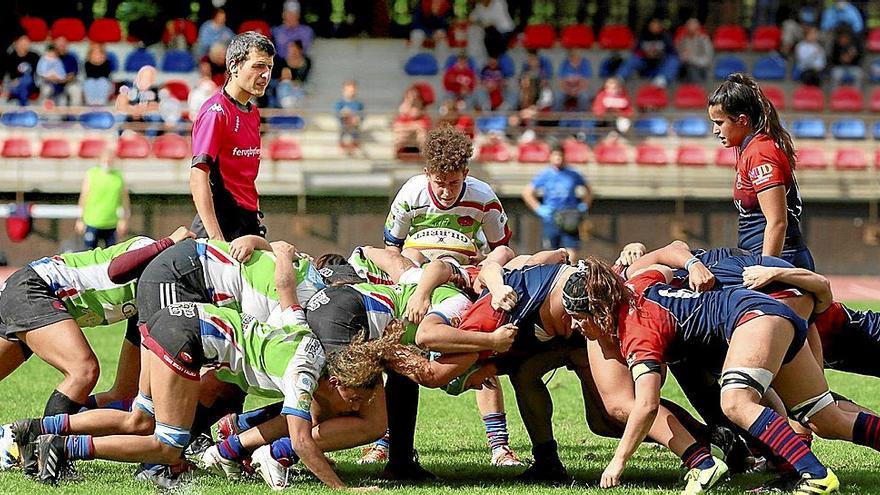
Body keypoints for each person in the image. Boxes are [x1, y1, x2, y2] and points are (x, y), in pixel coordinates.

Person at [26, 244, 388, 490]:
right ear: (335, 379)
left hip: (180, 323)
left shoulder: (301, 327)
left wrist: (278, 250)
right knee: (166, 443)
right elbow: (301, 441)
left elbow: (284, 288)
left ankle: (33, 431)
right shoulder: (303, 373)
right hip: (187, 333)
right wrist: (343, 490)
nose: (355, 406)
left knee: (141, 417)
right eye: (353, 398)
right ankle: (64, 446)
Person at [565, 257, 880, 494]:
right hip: (769, 313)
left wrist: (618, 461)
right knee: (823, 417)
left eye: (579, 317)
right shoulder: (637, 283)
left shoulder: (636, 330)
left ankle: (816, 476)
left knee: (735, 402)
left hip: (753, 319)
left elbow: (646, 405)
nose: (576, 326)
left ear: (601, 310)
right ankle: (793, 473)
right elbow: (662, 269)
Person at [1, 226, 194, 477]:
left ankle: (23, 438)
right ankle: (47, 455)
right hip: (34, 288)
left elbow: (126, 387)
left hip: (30, 293)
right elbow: (116, 270)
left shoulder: (159, 297)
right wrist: (169, 241)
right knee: (84, 370)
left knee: (125, 394)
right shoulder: (149, 251)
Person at [380, 125, 514, 479]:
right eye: (439, 181)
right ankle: (386, 440)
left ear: (466, 174)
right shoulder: (410, 192)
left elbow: (500, 246)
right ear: (427, 173)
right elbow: (392, 245)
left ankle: (499, 448)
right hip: (412, 283)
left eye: (453, 183)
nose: (445, 189)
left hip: (460, 283)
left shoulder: (484, 196)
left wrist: (484, 272)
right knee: (396, 354)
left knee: (479, 359)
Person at [708, 73, 813, 270]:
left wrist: (765, 271)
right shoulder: (748, 149)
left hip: (779, 261)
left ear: (742, 120)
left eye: (720, 123)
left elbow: (777, 222)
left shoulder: (760, 152)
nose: (715, 131)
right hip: (760, 256)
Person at [189, 32, 275, 241]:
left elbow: (245, 180)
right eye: (258, 66)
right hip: (220, 226)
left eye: (269, 68)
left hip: (248, 223)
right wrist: (217, 241)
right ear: (235, 66)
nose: (265, 75)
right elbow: (198, 176)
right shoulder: (216, 112)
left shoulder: (253, 114)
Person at [522, 142, 591, 261]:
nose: (558, 158)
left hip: (570, 216)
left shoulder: (573, 174)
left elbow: (588, 190)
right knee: (550, 250)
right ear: (550, 157)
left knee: (571, 248)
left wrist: (584, 205)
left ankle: (572, 273)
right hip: (552, 216)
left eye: (561, 155)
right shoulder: (545, 174)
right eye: (555, 155)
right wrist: (539, 209)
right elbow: (527, 192)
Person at [75, 150, 131, 249]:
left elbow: (124, 199)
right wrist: (80, 219)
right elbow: (84, 197)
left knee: (111, 254)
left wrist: (124, 219)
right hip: (92, 221)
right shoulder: (92, 174)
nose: (107, 163)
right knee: (89, 252)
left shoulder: (118, 176)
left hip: (111, 223)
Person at [616, 17, 680, 87]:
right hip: (645, 62)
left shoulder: (666, 37)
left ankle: (662, 79)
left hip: (660, 64)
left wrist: (660, 54)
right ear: (648, 26)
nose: (655, 27)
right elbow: (635, 51)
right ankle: (620, 78)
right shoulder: (642, 36)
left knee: (674, 60)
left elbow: (673, 52)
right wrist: (645, 54)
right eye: (653, 25)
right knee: (633, 59)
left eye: (657, 25)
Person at [272, 40, 311, 109]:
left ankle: (293, 103)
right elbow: (277, 77)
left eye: (294, 49)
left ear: (300, 50)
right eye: (290, 49)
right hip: (285, 87)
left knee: (300, 89)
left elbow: (305, 77)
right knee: (285, 84)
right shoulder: (282, 62)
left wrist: (296, 83)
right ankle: (286, 102)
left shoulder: (306, 62)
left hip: (299, 87)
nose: (292, 51)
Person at [3, 34, 40, 105]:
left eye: (28, 41)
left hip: (30, 85)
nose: (27, 43)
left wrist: (20, 81)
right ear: (17, 43)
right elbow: (6, 77)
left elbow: (40, 73)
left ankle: (22, 104)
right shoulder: (10, 57)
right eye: (23, 41)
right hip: (14, 86)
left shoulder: (34, 56)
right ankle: (22, 104)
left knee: (26, 79)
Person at [676, 18, 713, 83]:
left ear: (697, 28)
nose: (690, 29)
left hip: (701, 67)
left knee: (692, 68)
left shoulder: (704, 40)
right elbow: (680, 56)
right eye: (689, 27)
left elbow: (707, 59)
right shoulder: (683, 41)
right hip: (686, 67)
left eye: (693, 27)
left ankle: (698, 87)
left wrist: (691, 59)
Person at [335, 80, 365, 151]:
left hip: (354, 125)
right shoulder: (340, 104)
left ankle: (352, 143)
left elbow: (362, 117)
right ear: (344, 90)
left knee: (353, 118)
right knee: (346, 114)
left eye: (352, 90)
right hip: (344, 124)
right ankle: (346, 143)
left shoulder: (359, 104)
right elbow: (337, 115)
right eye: (348, 90)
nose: (351, 92)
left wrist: (356, 118)